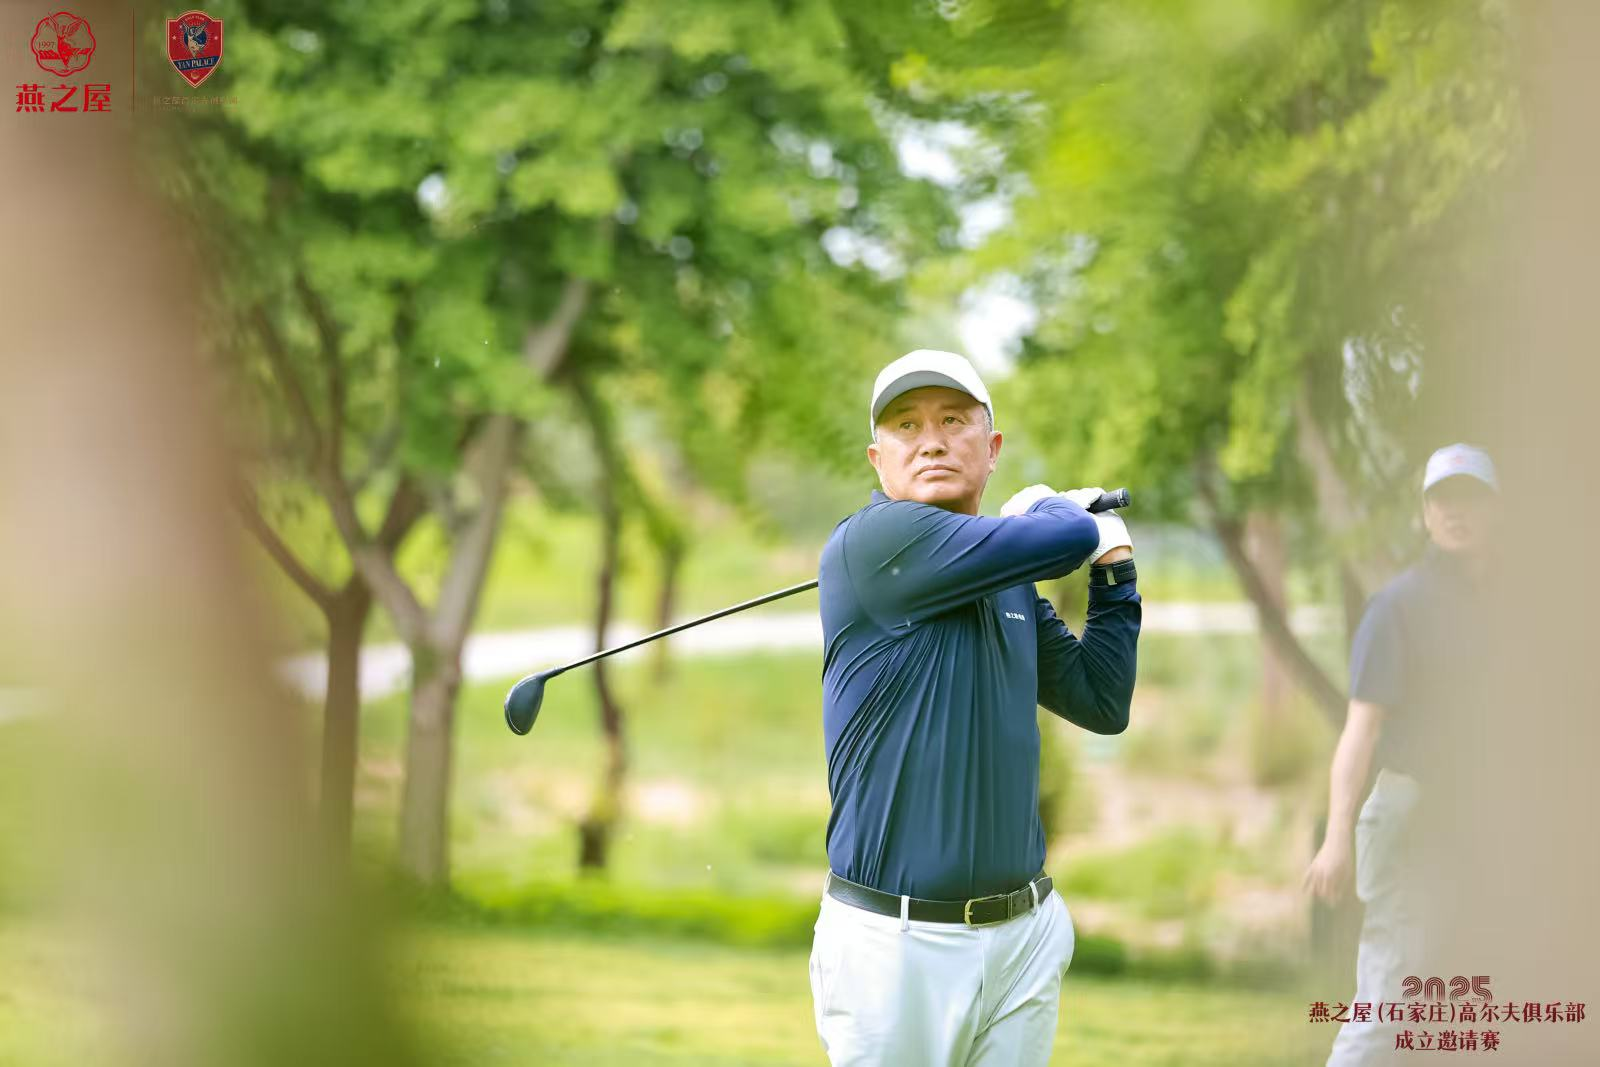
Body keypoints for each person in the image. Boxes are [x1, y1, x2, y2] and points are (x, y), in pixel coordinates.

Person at [809, 349, 1142, 1066]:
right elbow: (1065, 536)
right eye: (906, 425)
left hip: (1022, 939)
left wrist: (1116, 573)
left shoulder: (1006, 578)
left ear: (991, 449)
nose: (930, 440)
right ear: (878, 459)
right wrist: (1052, 509)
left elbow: (1101, 699)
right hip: (895, 949)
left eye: (953, 421)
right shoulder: (874, 542)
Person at [1304, 442, 1501, 1065]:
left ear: (1496, 509)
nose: (1455, 511)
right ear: (1425, 512)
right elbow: (1360, 732)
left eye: (1469, 497)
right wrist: (1336, 839)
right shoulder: (1400, 606)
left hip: (1487, 822)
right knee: (1389, 1005)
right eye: (1443, 499)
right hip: (1413, 820)